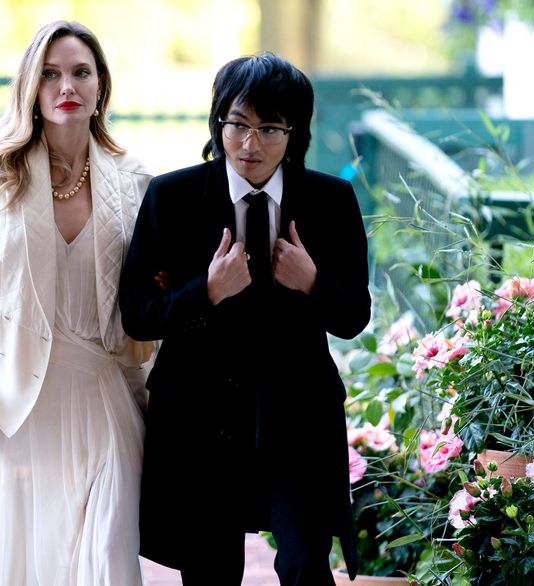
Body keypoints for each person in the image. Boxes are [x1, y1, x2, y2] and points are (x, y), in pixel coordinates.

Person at [0, 20, 155, 585]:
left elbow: (154, 299)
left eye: (79, 72)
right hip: (15, 399)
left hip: (104, 397)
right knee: (19, 565)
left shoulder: (137, 179)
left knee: (105, 562)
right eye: (49, 74)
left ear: (100, 87)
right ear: (31, 87)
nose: (65, 85)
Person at [119, 52, 370, 585]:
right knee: (210, 572)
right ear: (218, 122)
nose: (249, 145)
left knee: (305, 562)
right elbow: (137, 315)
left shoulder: (330, 200)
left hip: (297, 417)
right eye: (237, 125)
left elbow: (353, 317)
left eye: (269, 128)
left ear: (294, 131)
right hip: (200, 420)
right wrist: (205, 291)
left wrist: (312, 282)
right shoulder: (172, 196)